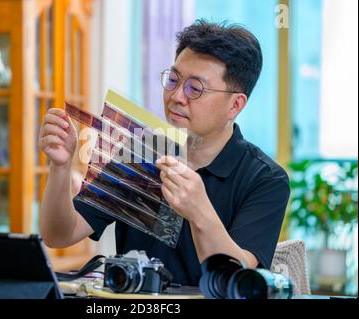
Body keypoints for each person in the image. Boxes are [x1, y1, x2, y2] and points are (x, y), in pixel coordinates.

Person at [38, 20, 290, 286]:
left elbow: (233, 281)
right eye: (173, 80)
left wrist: (199, 209)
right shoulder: (140, 152)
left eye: (196, 88)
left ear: (235, 105)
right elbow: (59, 235)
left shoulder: (266, 179)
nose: (177, 96)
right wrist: (60, 169)